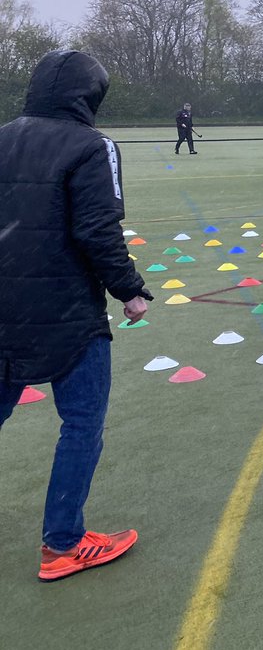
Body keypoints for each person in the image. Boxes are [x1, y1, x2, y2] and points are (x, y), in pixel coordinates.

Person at [0, 49, 152, 581]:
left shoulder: (2, 135)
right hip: (66, 313)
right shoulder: (92, 145)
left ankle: (64, 540)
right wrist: (130, 290)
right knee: (82, 422)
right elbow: (97, 230)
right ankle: (62, 544)